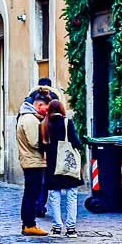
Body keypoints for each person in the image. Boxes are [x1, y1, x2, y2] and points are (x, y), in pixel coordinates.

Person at [15, 89, 58, 237]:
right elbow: (35, 142)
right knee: (31, 194)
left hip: (32, 160)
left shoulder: (30, 117)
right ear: (39, 105)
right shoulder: (30, 119)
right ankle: (29, 224)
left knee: (31, 193)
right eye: (46, 108)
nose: (47, 112)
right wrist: (49, 144)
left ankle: (28, 223)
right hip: (33, 161)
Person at [44, 94, 84, 235]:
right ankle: (71, 227)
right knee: (71, 194)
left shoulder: (45, 124)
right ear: (61, 109)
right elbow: (75, 141)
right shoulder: (67, 123)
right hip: (67, 161)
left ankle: (56, 226)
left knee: (54, 195)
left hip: (52, 163)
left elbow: (41, 144)